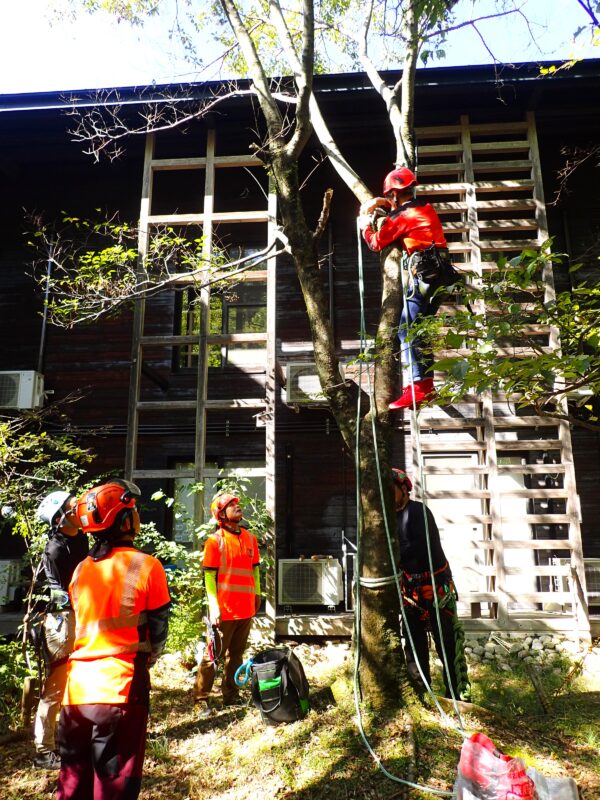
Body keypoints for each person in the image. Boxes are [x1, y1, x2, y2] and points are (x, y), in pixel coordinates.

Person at [56, 479, 171, 800]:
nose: (137, 516)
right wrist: (150, 656)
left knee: (72, 784)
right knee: (114, 785)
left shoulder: (81, 570)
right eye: (132, 510)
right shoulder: (146, 566)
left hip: (75, 694)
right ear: (123, 520)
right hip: (121, 689)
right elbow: (159, 631)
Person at [360, 167, 455, 410]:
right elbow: (402, 218)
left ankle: (417, 388)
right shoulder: (425, 208)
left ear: (393, 194)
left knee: (406, 330)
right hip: (442, 274)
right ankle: (427, 387)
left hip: (426, 274)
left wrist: (365, 226)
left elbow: (376, 242)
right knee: (419, 329)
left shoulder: (400, 217)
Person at [392, 467, 470, 701]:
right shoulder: (387, 519)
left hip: (436, 588)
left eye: (391, 490)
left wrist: (391, 555)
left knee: (447, 645)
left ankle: (456, 697)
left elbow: (417, 548)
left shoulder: (418, 512)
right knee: (414, 647)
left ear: (404, 490)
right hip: (410, 594)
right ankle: (421, 695)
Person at [31, 491, 89, 770]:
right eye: (70, 507)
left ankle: (71, 738)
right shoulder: (54, 549)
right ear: (60, 517)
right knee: (56, 683)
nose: (77, 508)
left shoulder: (82, 538)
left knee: (79, 680)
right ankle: (43, 750)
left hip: (80, 616)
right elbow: (56, 592)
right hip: (60, 621)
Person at [194, 492, 261, 718]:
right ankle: (200, 699)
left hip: (245, 609)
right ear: (221, 515)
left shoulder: (250, 538)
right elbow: (209, 577)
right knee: (212, 657)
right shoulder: (215, 541)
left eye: (237, 504)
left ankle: (231, 695)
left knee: (237, 656)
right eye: (231, 506)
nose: (237, 507)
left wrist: (258, 593)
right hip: (224, 612)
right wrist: (214, 607)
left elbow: (255, 570)